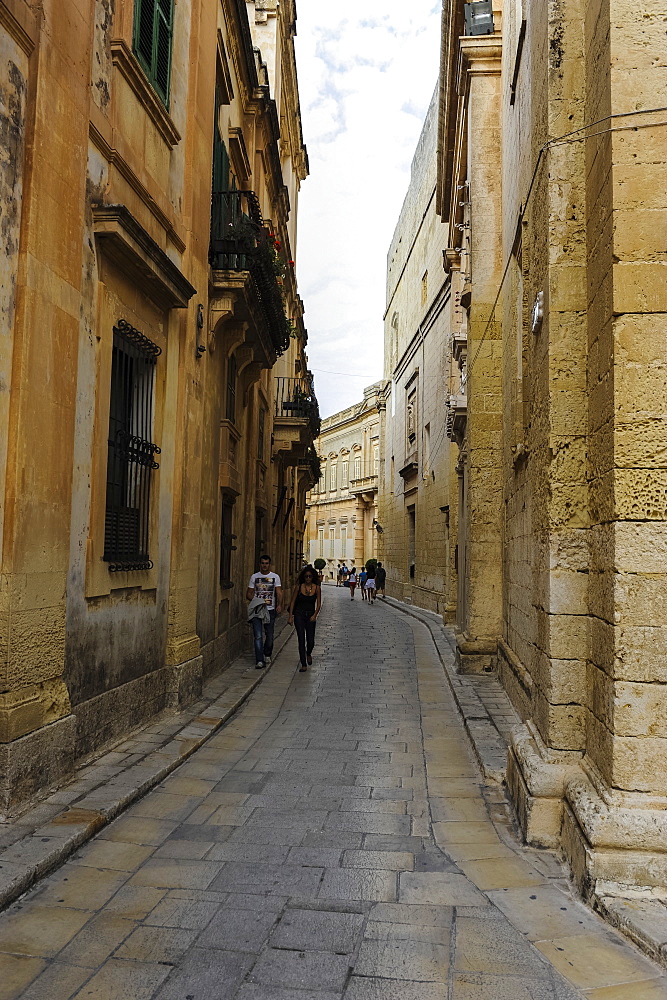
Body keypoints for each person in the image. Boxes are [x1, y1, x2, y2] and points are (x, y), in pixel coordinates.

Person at [246, 555, 282, 669]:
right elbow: (249, 594)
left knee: (270, 635)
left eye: (266, 563)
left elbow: (279, 592)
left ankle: (267, 653)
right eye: (262, 563)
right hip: (258, 610)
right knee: (258, 636)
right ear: (260, 564)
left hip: (270, 610)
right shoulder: (254, 577)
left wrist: (279, 605)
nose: (264, 565)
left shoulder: (275, 577)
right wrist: (257, 601)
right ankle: (259, 660)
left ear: (269, 564)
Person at [288, 565, 322, 671]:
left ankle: (308, 653)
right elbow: (293, 602)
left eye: (310, 576)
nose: (308, 578)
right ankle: (303, 664)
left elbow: (319, 604)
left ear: (313, 577)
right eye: (306, 576)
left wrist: (314, 615)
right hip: (299, 614)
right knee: (301, 639)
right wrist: (290, 616)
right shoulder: (299, 587)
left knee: (311, 641)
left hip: (310, 615)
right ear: (304, 577)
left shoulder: (317, 588)